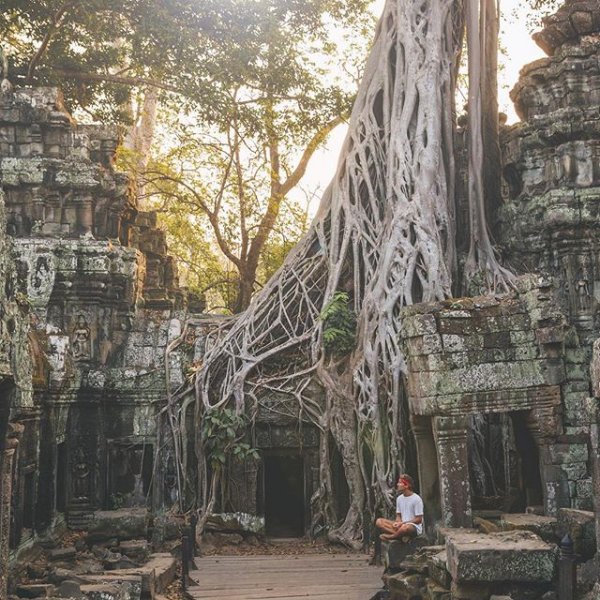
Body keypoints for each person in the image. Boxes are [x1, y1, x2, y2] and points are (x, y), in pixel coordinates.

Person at [375, 474, 424, 541]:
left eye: (400, 483)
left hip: (412, 527)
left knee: (405, 528)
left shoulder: (416, 499)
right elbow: (398, 515)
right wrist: (398, 522)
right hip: (401, 525)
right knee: (379, 522)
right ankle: (401, 535)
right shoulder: (399, 499)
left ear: (406, 485)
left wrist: (403, 523)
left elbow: (419, 519)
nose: (397, 484)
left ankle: (392, 536)